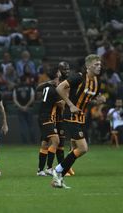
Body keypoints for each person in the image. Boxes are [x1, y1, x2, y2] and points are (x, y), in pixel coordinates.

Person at [52, 54, 106, 188]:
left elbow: (89, 99)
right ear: (88, 66)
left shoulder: (97, 82)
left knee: (75, 149)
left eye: (100, 64)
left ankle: (57, 180)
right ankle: (57, 170)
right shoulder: (79, 77)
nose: (99, 67)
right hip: (70, 115)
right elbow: (59, 88)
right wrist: (70, 104)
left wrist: (99, 100)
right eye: (96, 65)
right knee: (83, 148)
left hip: (80, 117)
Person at [36, 68, 62, 176]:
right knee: (56, 141)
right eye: (59, 72)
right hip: (47, 118)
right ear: (56, 75)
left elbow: (38, 88)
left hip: (44, 117)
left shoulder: (47, 86)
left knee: (45, 144)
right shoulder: (54, 89)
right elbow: (61, 104)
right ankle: (49, 168)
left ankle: (40, 170)